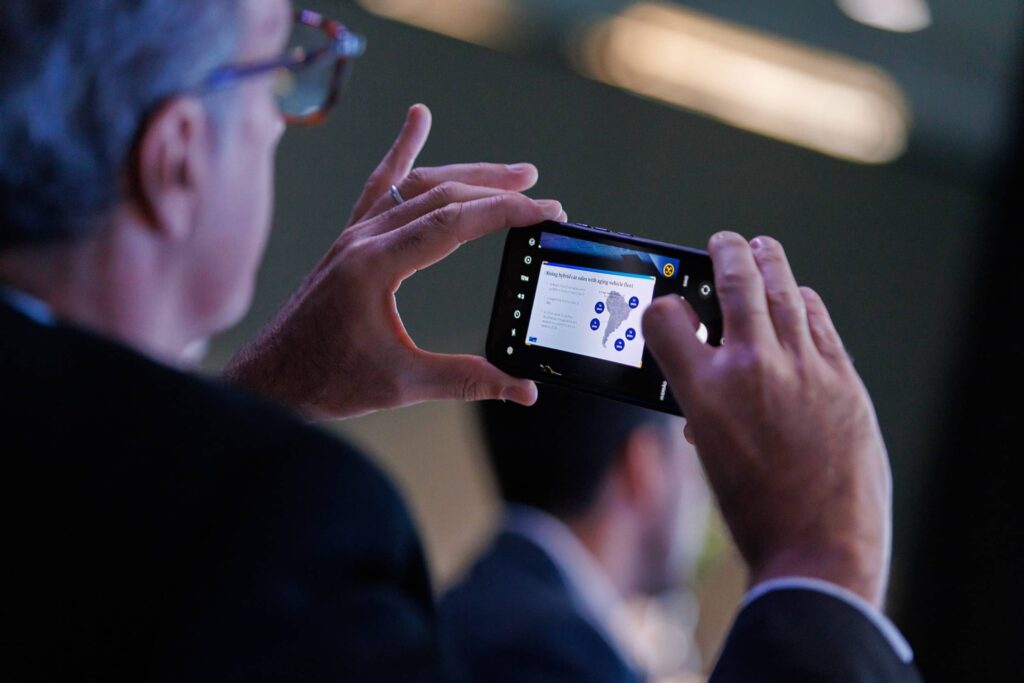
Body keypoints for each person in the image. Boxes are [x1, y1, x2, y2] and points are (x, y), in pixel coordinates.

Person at [0, 0, 922, 680]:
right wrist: (822, 569)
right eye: (277, 72)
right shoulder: (302, 527)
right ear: (179, 158)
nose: (289, 112)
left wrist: (261, 405)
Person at [441, 387, 709, 681]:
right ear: (645, 464)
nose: (702, 494)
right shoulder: (557, 657)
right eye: (691, 462)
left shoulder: (470, 611)